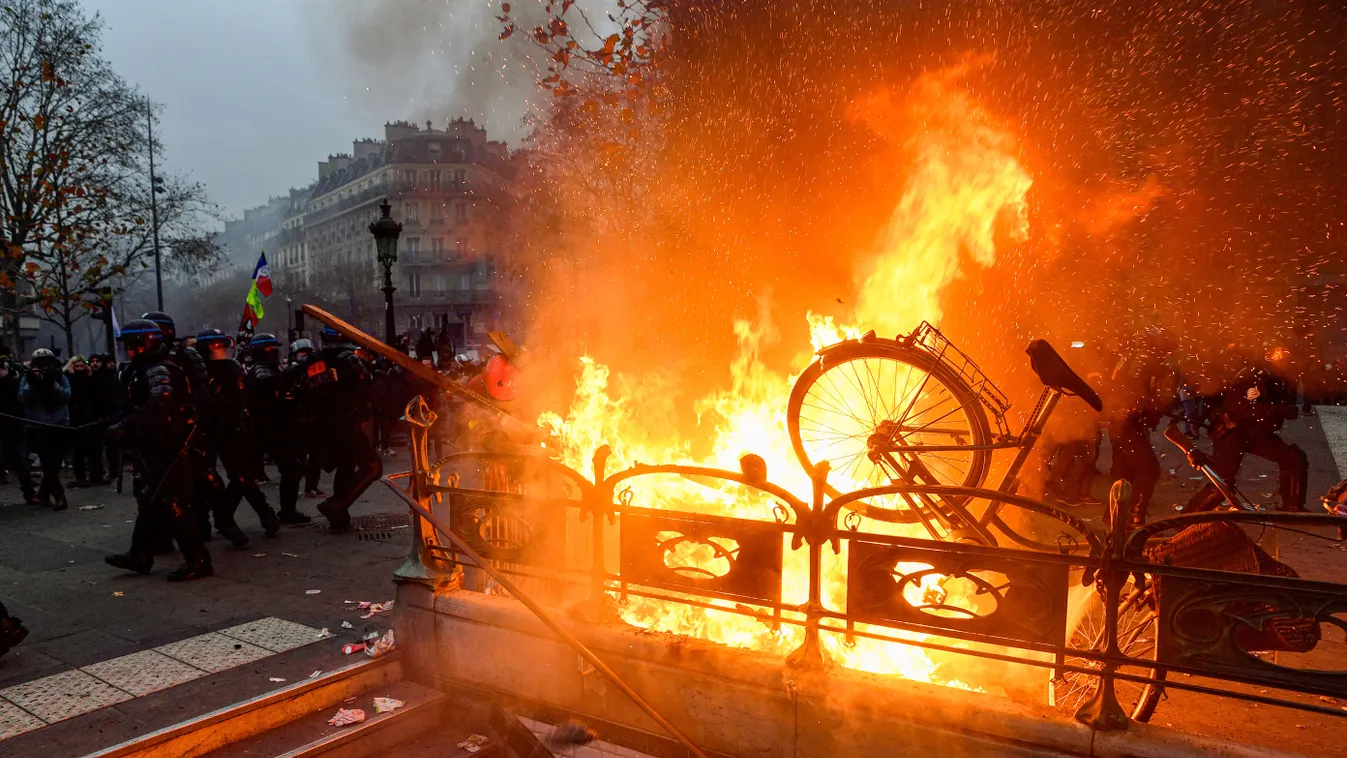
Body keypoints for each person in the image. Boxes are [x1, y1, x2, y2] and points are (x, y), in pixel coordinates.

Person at [103, 319, 212, 581]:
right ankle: (139, 554)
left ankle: (198, 560)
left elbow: (159, 406)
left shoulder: (160, 370)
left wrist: (123, 426)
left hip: (173, 448)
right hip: (154, 448)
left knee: (173, 502)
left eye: (133, 346)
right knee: (149, 500)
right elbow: (130, 409)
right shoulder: (141, 370)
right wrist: (99, 426)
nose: (129, 351)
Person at [1187, 348, 1308, 514]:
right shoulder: (1253, 377)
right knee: (1223, 481)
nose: (1288, 360)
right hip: (1233, 434)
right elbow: (1244, 408)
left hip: (1256, 434)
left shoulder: (1275, 378)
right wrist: (1280, 410)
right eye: (1283, 355)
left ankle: (1292, 507)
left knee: (1293, 458)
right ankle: (1189, 517)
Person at [198, 329, 280, 545]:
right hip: (203, 430)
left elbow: (243, 397)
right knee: (206, 480)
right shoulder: (195, 371)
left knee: (242, 476)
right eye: (215, 347)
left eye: (222, 346)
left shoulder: (233, 368)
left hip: (230, 429)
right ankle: (204, 524)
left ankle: (259, 514)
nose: (220, 351)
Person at [302, 327, 381, 532]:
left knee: (346, 466)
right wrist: (365, 411)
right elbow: (367, 386)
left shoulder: (313, 361)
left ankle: (339, 516)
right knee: (372, 466)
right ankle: (336, 504)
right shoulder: (348, 359)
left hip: (321, 425)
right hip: (346, 422)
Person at [245, 334, 310, 524]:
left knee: (292, 469)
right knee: (243, 477)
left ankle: (287, 511)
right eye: (270, 349)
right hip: (264, 428)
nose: (274, 352)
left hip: (278, 427)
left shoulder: (273, 368)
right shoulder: (260, 370)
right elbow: (271, 387)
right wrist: (296, 371)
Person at [19, 348, 71, 510]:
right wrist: (33, 382)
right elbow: (22, 398)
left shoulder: (59, 376)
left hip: (59, 423)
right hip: (37, 425)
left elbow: (67, 396)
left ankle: (43, 492)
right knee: (47, 461)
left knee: (55, 462)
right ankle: (58, 494)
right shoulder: (27, 378)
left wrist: (51, 382)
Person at [0, 351, 37, 503]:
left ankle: (29, 493)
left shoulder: (13, 382)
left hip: (14, 427)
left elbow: (20, 401)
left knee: (22, 463)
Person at [66, 355, 106, 487]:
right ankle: (81, 477)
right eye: (76, 366)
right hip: (76, 418)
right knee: (79, 451)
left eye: (81, 366)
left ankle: (96, 474)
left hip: (91, 417)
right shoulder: (68, 379)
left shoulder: (91, 379)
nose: (79, 369)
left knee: (95, 449)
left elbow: (95, 395)